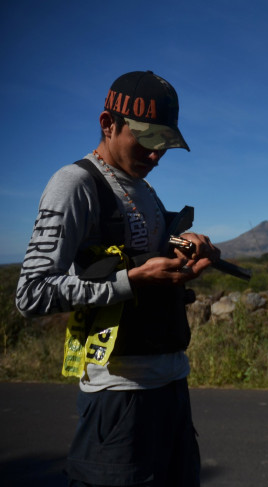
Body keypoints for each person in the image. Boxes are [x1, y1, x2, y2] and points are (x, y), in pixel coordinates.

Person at [16, 70, 218, 486]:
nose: (156, 155)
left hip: (172, 385)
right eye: (145, 139)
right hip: (119, 395)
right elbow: (31, 293)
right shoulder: (74, 184)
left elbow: (149, 256)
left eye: (163, 143)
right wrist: (132, 281)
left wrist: (184, 250)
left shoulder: (143, 188)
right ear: (108, 124)